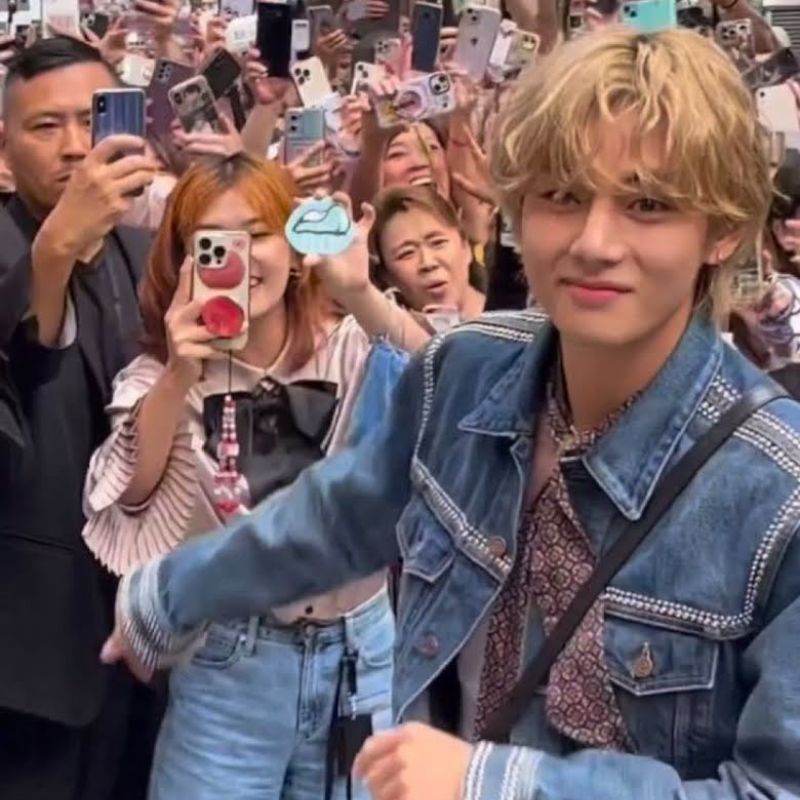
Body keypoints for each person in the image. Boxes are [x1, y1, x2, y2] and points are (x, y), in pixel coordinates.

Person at [108, 26, 800, 800]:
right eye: (563, 196)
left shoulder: (779, 494)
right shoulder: (465, 371)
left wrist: (492, 783)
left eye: (647, 204)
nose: (595, 242)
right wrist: (168, 596)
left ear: (722, 231)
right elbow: (340, 517)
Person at [83, 153, 395, 799]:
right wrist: (180, 373)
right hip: (230, 657)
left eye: (257, 234)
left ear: (295, 247)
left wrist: (360, 294)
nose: (240, 258)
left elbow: (455, 390)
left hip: (360, 658)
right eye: (213, 242)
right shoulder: (158, 379)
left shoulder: (354, 344)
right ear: (182, 261)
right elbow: (130, 493)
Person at [0, 35, 160, 800]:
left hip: (144, 635)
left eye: (93, 118)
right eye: (45, 126)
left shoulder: (148, 253)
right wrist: (56, 248)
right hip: (25, 658)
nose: (74, 146)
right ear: (5, 145)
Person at [369, 184, 485, 325]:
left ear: (465, 247)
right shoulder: (375, 333)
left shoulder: (509, 311)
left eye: (438, 243)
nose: (428, 263)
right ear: (386, 275)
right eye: (407, 253)